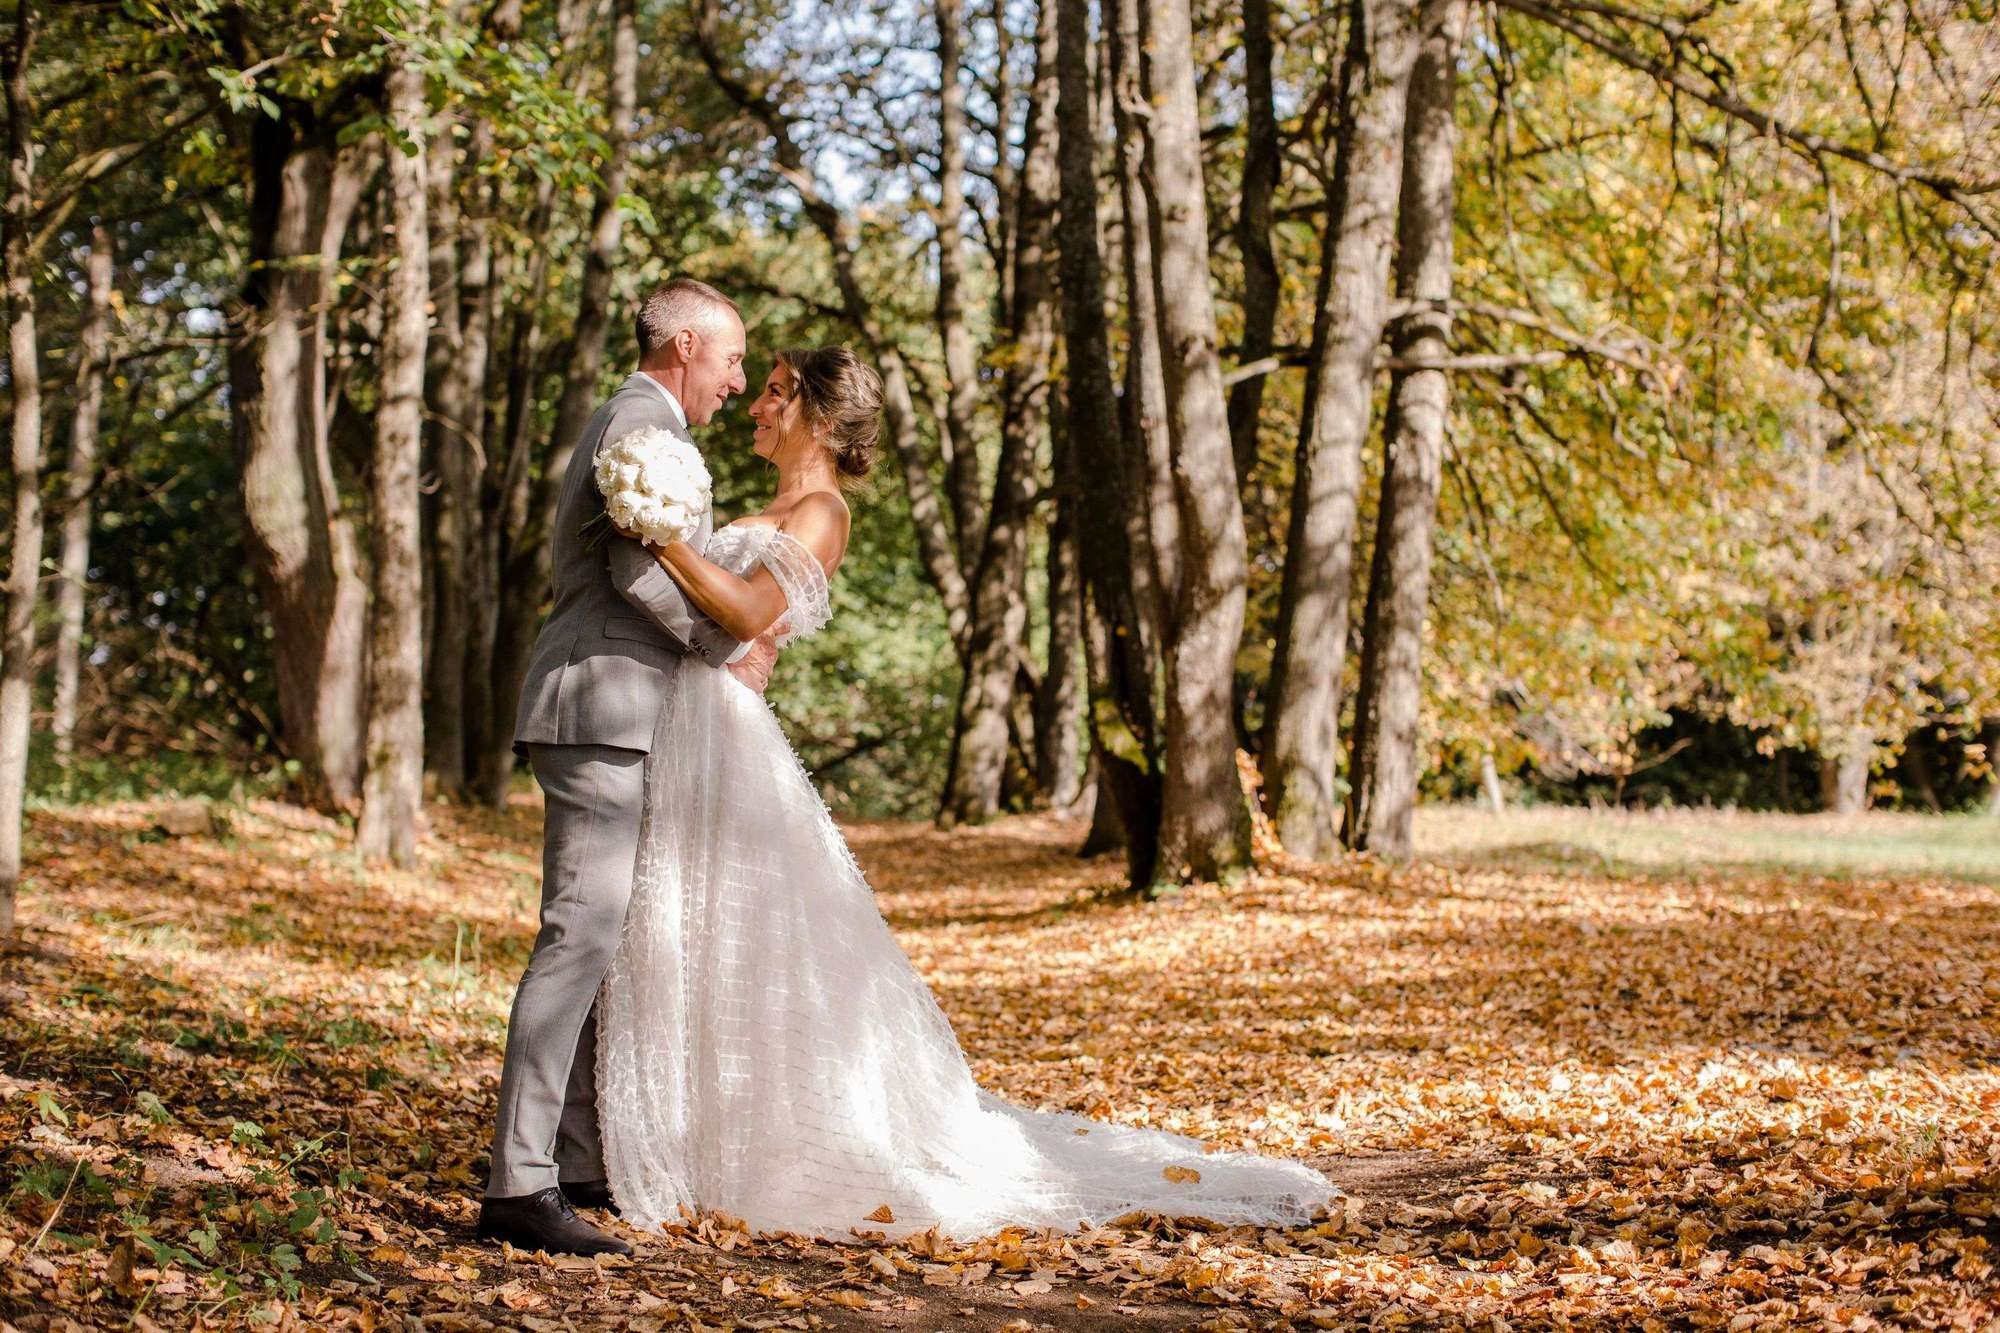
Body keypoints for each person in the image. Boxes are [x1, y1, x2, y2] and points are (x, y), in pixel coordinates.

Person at [591, 345, 1336, 1241]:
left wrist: (662, 535)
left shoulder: (822, 513)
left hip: (729, 732)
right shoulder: (756, 507)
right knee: (686, 929)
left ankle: (753, 1143)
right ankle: (684, 1126)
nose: (756, 403)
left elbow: (748, 613)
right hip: (685, 723)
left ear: (820, 420)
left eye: (777, 392)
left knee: (736, 932)